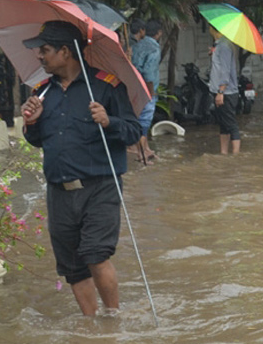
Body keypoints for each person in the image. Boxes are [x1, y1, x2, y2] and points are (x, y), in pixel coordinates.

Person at [20, 20, 140, 316]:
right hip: (59, 191)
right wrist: (31, 122)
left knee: (96, 255)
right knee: (73, 266)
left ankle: (112, 320)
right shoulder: (42, 92)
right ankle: (90, 324)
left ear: (65, 52)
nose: (39, 56)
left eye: (44, 50)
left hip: (100, 188)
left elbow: (134, 132)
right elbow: (37, 141)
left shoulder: (106, 86)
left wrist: (109, 120)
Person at [128, 18, 162, 164]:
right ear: (159, 33)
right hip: (146, 89)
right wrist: (150, 92)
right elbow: (148, 71)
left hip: (133, 87)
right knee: (144, 121)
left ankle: (144, 150)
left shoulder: (137, 46)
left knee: (139, 120)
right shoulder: (154, 48)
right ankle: (142, 156)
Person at [208, 28, 241, 154]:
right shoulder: (220, 45)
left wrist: (220, 92)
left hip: (226, 92)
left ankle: (236, 155)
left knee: (231, 124)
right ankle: (224, 153)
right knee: (223, 125)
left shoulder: (225, 46)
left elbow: (225, 71)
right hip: (220, 91)